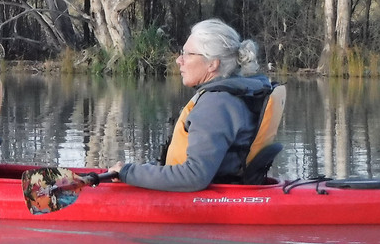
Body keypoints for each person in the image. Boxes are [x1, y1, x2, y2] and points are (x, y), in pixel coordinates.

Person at [111, 18, 272, 192]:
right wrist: (136, 171)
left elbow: (194, 175)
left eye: (188, 54)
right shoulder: (233, 95)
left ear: (212, 64)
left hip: (209, 197)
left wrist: (128, 173)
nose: (179, 60)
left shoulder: (216, 105)